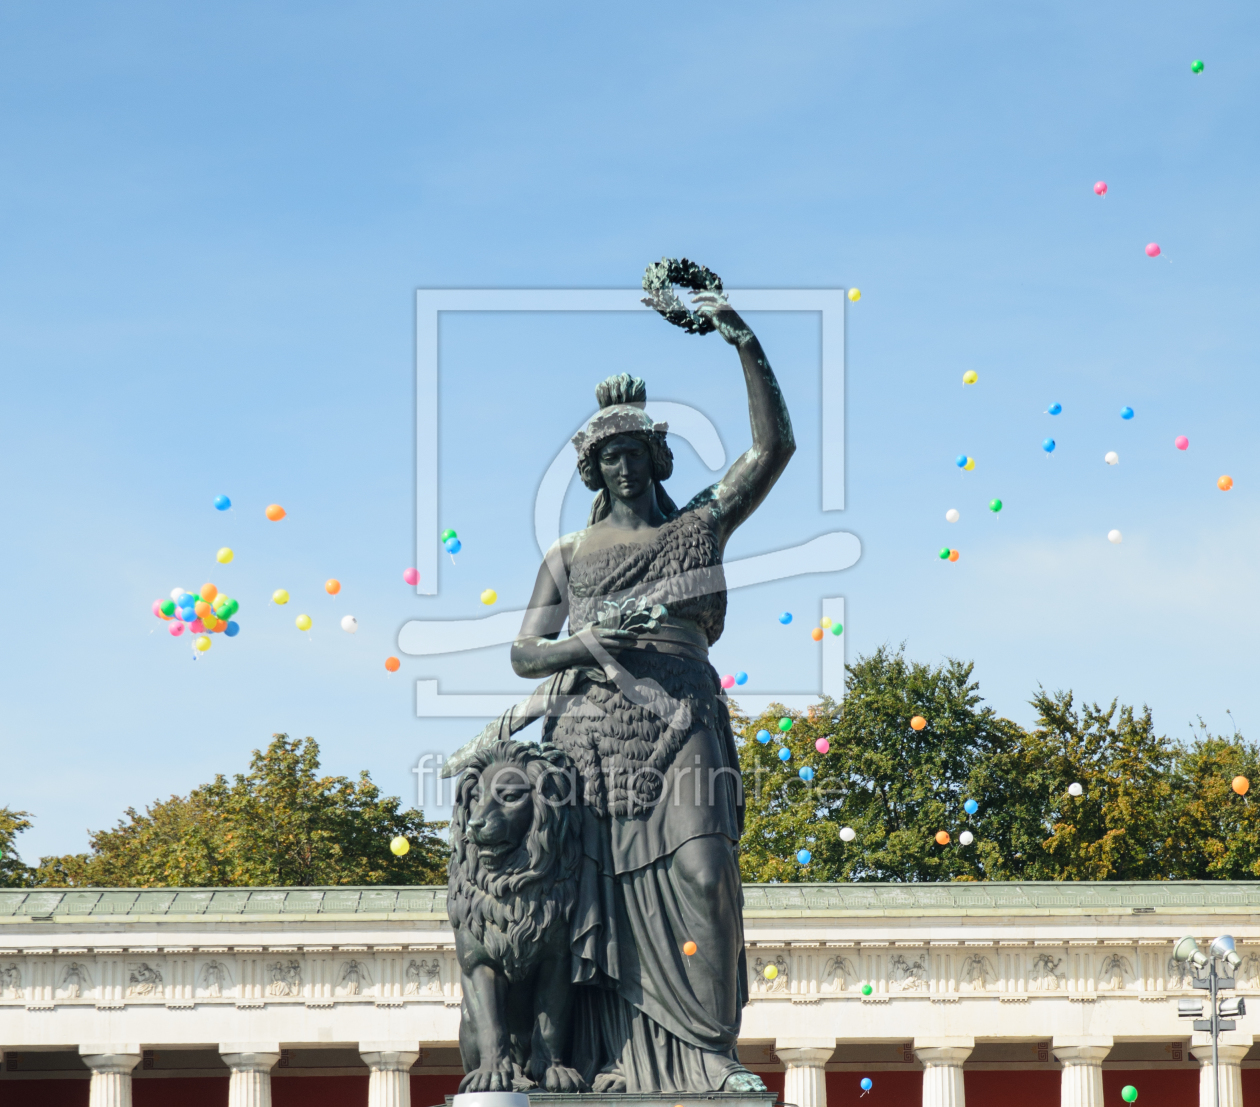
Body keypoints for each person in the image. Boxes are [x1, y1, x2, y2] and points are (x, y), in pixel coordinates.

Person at [511, 289, 794, 1094]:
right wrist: (594, 642)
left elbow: (773, 447)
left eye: (636, 450)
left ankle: (708, 1052)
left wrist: (739, 336)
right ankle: (606, 1059)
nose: (625, 464)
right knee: (595, 905)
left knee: (704, 874)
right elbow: (525, 653)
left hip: (683, 710)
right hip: (593, 729)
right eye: (610, 456)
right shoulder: (568, 553)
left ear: (656, 458)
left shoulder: (696, 524)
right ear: (593, 470)